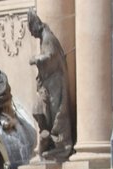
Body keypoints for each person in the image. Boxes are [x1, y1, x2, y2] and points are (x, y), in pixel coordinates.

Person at [27, 8, 73, 160]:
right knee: (42, 111)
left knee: (57, 114)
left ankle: (60, 146)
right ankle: (50, 143)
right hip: (49, 83)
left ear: (36, 25)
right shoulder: (44, 37)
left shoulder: (47, 38)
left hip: (55, 84)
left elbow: (50, 56)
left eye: (32, 30)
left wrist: (36, 59)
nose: (32, 34)